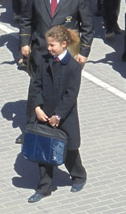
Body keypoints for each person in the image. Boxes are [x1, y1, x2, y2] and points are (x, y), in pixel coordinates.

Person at [26, 25, 87, 203]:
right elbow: (35, 85)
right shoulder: (44, 61)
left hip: (64, 116)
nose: (49, 48)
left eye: (53, 45)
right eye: (48, 45)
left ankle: (78, 175)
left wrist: (58, 115)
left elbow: (71, 95)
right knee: (44, 151)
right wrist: (37, 107)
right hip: (44, 113)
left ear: (63, 44)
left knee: (69, 149)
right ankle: (44, 187)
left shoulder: (73, 67)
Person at [20, 0, 93, 68]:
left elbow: (87, 26)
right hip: (40, 51)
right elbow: (26, 18)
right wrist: (24, 42)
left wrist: (84, 52)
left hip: (66, 53)